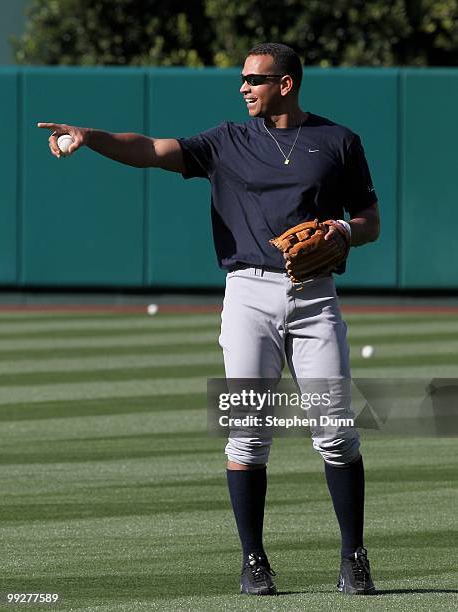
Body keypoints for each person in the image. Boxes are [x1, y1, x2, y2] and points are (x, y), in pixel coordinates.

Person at [38, 42, 380, 596]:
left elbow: (368, 220)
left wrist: (342, 232)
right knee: (246, 436)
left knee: (337, 432)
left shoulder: (338, 142)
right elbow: (150, 149)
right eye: (242, 78)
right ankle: (254, 562)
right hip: (247, 295)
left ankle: (355, 558)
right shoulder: (227, 140)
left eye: (254, 78)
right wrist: (90, 137)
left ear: (285, 84)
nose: (243, 87)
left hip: (315, 297)